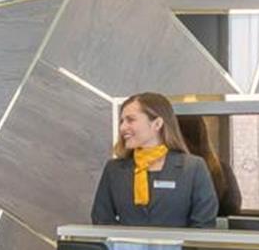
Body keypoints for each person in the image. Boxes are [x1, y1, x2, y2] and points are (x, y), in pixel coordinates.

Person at [91, 92, 217, 228]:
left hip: (176, 249)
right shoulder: (114, 169)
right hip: (125, 249)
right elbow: (101, 219)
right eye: (122, 121)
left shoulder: (193, 168)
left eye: (130, 120)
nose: (122, 127)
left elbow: (204, 223)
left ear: (157, 124)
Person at [177, 114, 243, 217]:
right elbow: (232, 209)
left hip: (177, 231)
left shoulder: (173, 168)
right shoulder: (220, 169)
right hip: (216, 230)